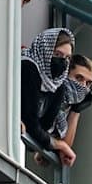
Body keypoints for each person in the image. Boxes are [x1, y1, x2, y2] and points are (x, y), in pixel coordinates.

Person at [20, 28, 77, 166]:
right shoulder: (28, 67)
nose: (62, 61)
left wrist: (50, 146)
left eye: (67, 58)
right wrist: (60, 146)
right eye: (57, 54)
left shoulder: (58, 86)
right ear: (45, 51)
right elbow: (31, 124)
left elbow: (42, 129)